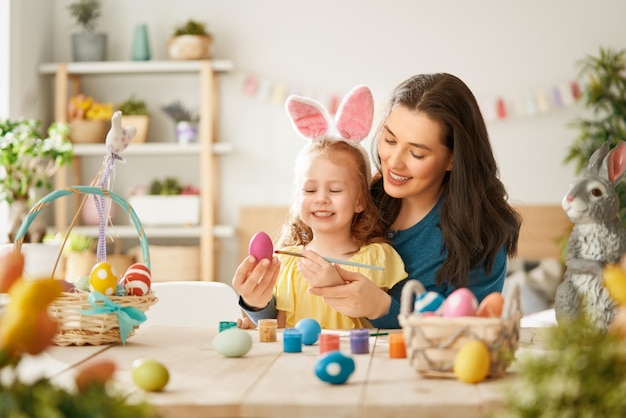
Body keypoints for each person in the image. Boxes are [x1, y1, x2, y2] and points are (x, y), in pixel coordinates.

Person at [234, 73, 521, 329]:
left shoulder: (481, 234)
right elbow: (290, 307)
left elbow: (471, 332)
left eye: (417, 154)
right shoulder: (350, 198)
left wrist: (382, 307)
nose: (393, 163)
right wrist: (257, 305)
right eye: (390, 140)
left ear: (452, 159)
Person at [234, 85, 407, 329]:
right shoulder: (288, 263)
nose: (321, 199)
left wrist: (336, 285)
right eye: (310, 190)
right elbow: (281, 329)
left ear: (359, 201)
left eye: (335, 190)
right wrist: (255, 315)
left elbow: (399, 325)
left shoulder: (379, 258)